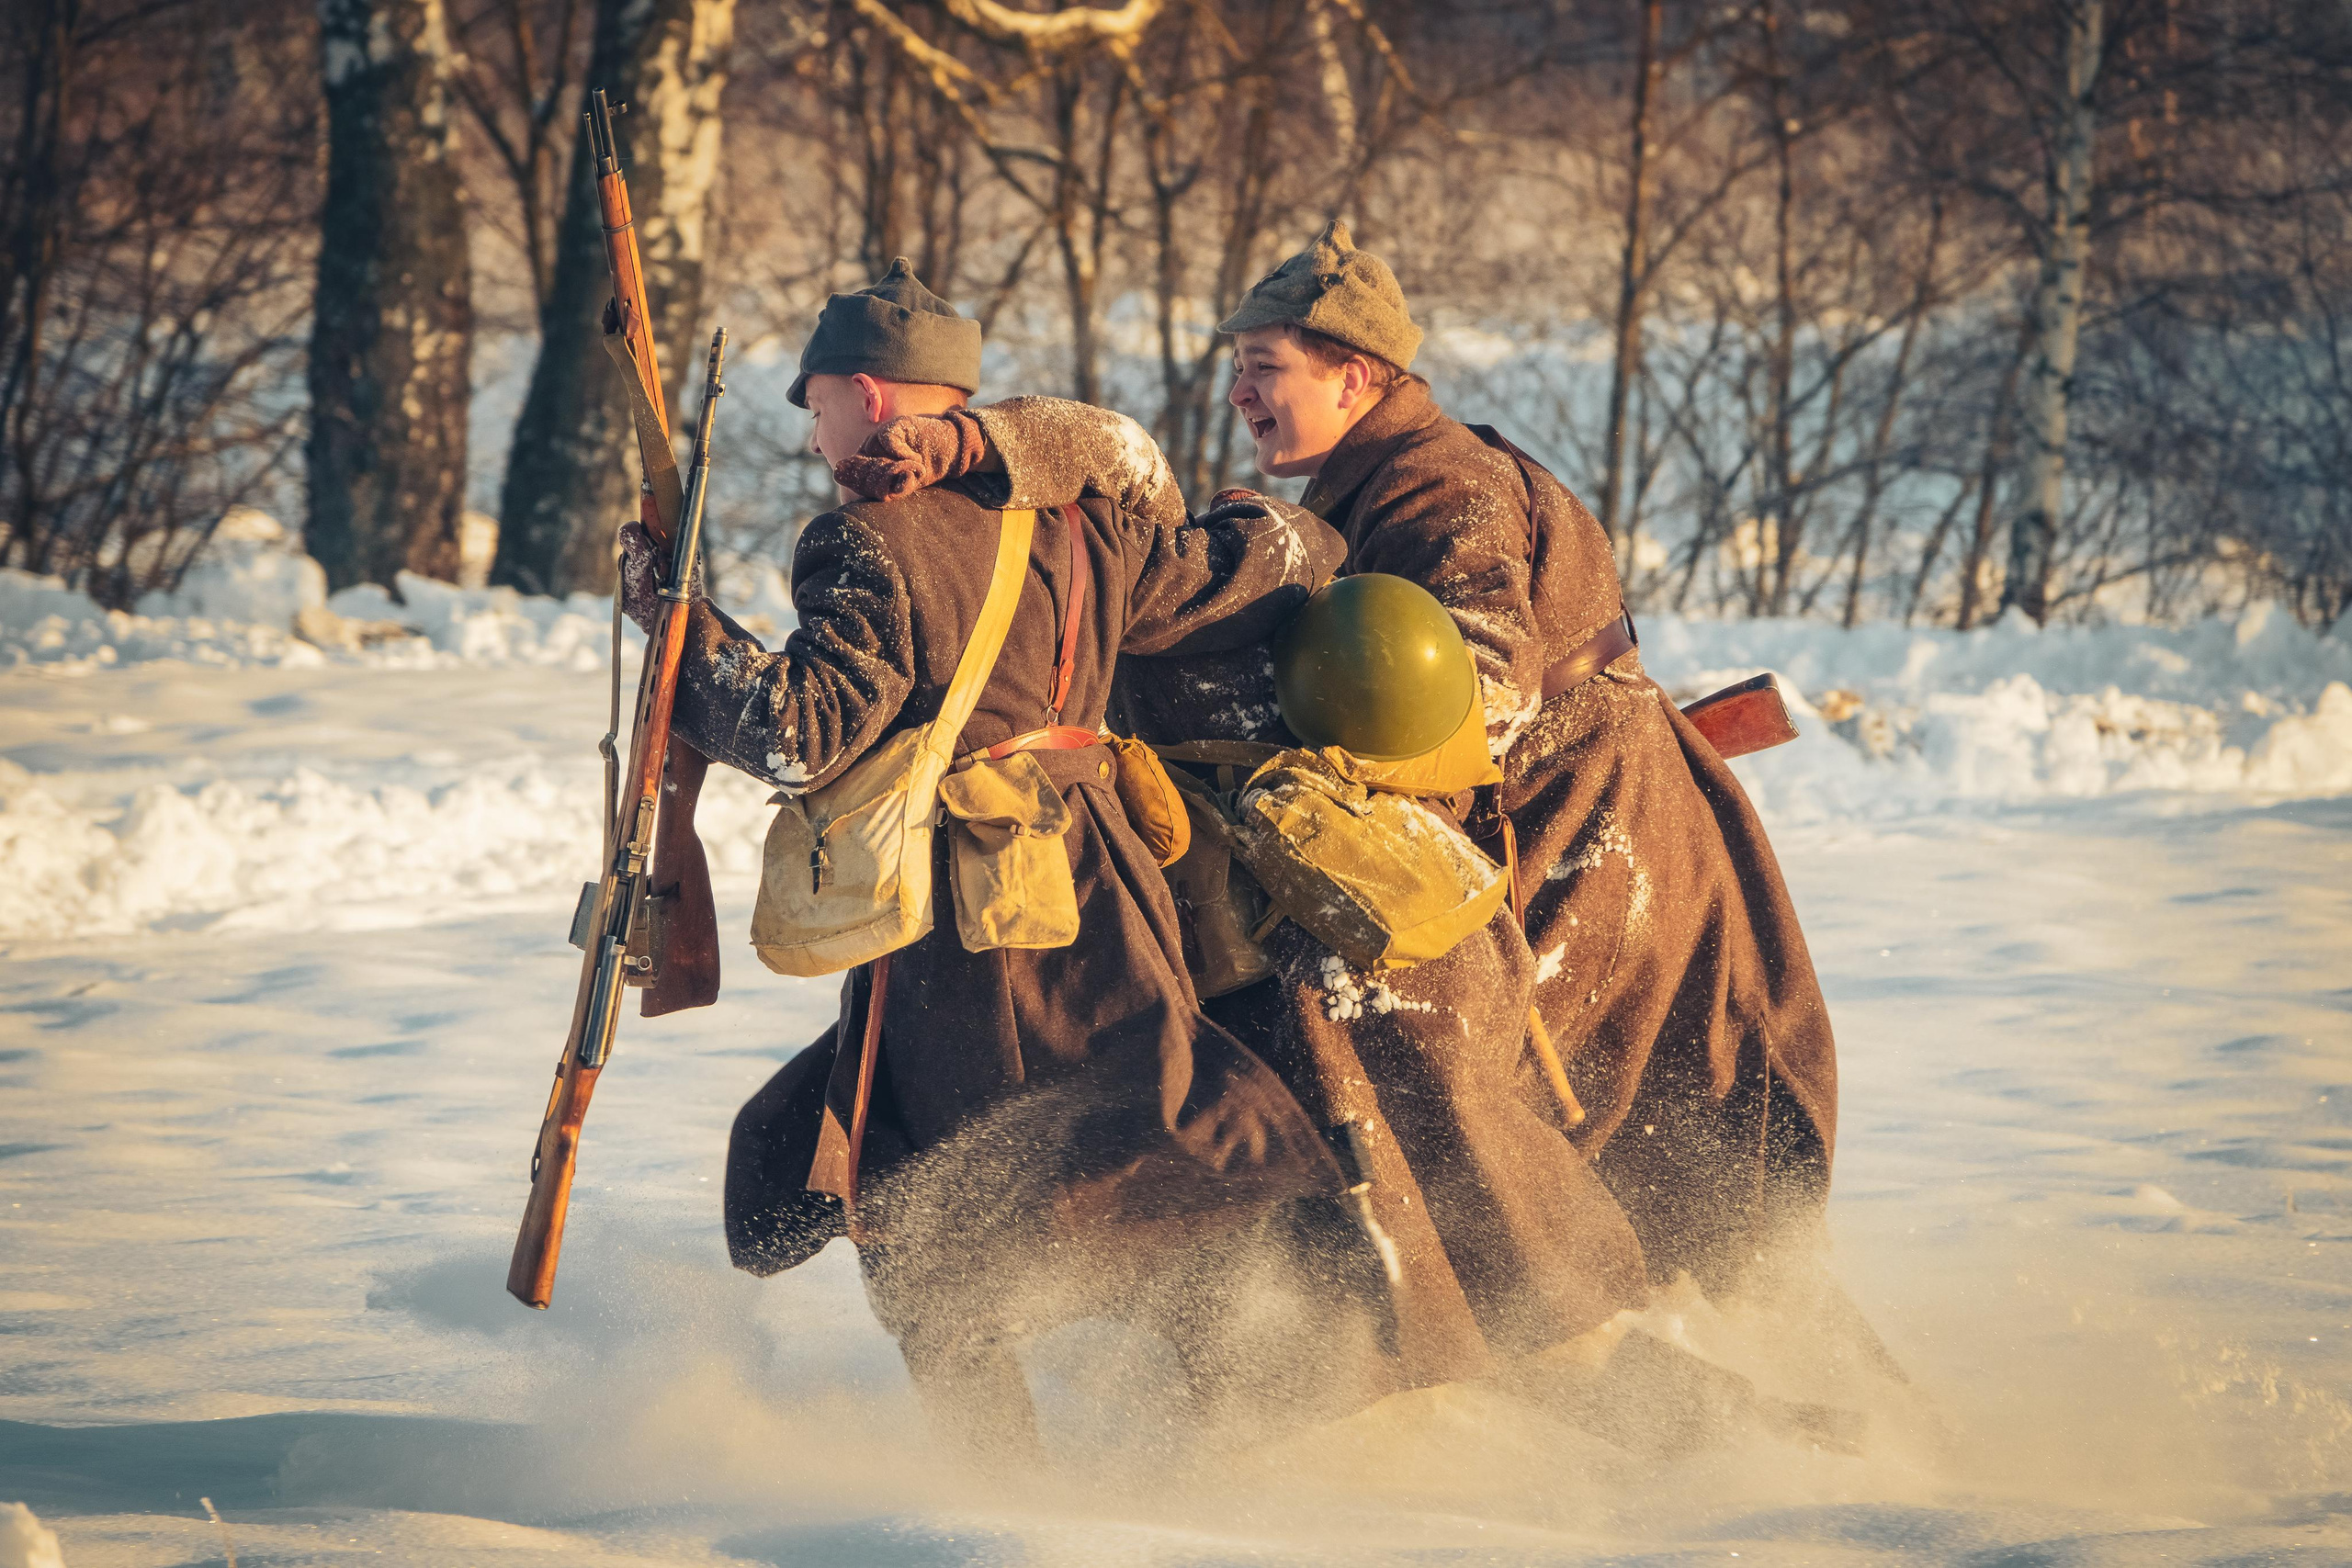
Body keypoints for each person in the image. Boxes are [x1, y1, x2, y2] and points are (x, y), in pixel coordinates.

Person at [841, 221, 1842, 1309]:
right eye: (1237, 367)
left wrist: (1297, 778)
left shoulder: (1442, 484)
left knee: (1479, 1080)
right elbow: (1129, 462)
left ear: (1354, 377)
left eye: (1263, 367)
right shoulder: (1369, 478)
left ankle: (1540, 1325)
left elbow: (1479, 686)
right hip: (1540, 828)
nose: (1240, 392)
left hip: (1590, 837)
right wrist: (977, 447)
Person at [624, 258, 1354, 1458]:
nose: (815, 436)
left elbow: (798, 731)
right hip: (1104, 894)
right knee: (1147, 1137)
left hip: (970, 924)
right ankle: (1233, 1429)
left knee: (927, 1201)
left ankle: (995, 1480)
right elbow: (1280, 556)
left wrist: (677, 626)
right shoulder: (1086, 527)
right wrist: (1264, 522)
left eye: (819, 407)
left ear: (869, 396)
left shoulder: (865, 539)